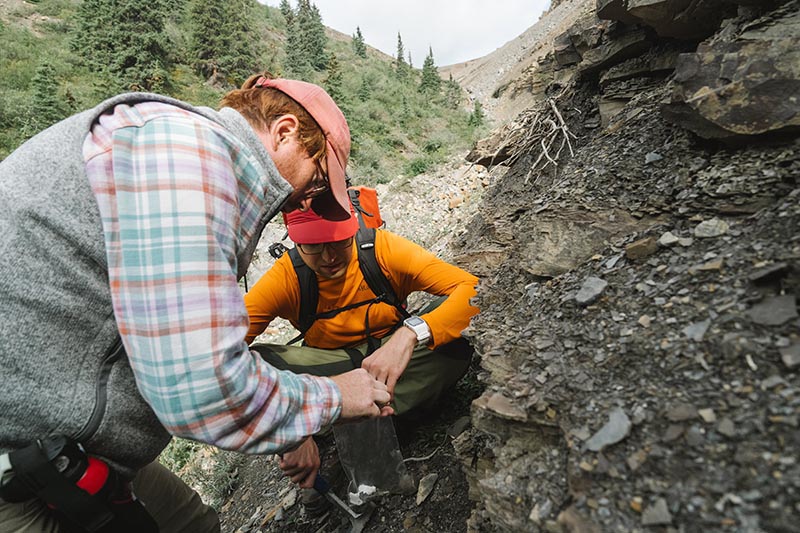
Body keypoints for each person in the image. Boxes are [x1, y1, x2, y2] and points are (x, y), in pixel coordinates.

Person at [0, 73, 393, 532]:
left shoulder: (177, 150)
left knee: (196, 524)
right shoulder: (182, 155)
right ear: (284, 131)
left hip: (76, 449)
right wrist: (334, 397)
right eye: (321, 180)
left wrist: (281, 425)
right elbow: (201, 389)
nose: (311, 197)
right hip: (22, 469)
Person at [244, 205, 480, 491]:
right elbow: (218, 352)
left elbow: (473, 290)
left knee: (456, 327)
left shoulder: (380, 250)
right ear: (294, 241)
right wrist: (291, 428)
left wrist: (408, 336)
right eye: (313, 247)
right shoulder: (285, 278)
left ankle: (351, 416)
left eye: (339, 242)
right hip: (332, 371)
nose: (329, 257)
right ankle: (382, 409)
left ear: (353, 229)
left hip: (392, 362)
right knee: (260, 361)